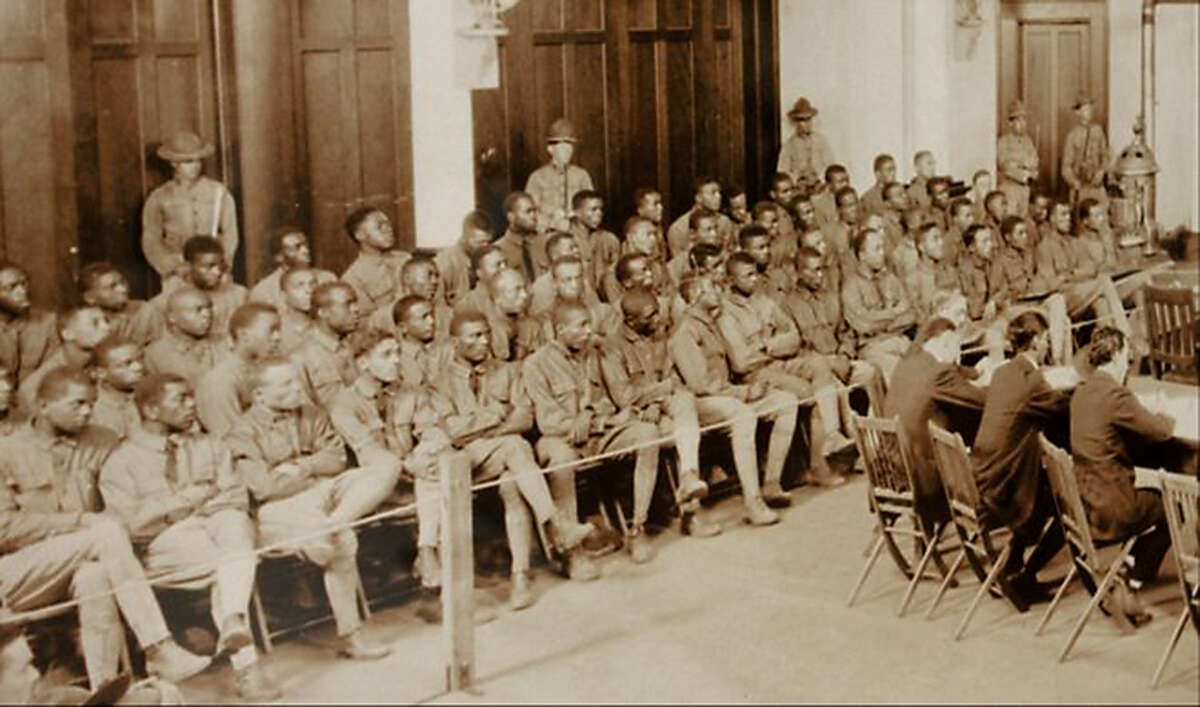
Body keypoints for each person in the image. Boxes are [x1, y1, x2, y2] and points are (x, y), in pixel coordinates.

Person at [0, 367, 211, 689]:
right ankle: (158, 647)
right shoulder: (6, 452)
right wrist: (79, 521)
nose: (87, 412)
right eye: (77, 404)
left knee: (95, 577)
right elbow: (4, 529)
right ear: (42, 406)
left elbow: (131, 474)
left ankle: (107, 688)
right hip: (15, 572)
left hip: (76, 561)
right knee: (105, 532)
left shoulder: (101, 440)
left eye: (92, 403)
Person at [99, 373, 278, 699]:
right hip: (163, 548)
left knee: (235, 525)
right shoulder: (121, 462)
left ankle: (233, 622)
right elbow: (131, 526)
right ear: (151, 410)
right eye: (179, 399)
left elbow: (235, 496)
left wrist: (189, 508)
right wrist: (187, 501)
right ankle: (246, 667)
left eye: (190, 397)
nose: (190, 405)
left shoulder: (209, 445)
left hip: (215, 528)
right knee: (230, 560)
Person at [422, 311, 597, 603]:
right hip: (467, 463)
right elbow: (452, 432)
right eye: (474, 336)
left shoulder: (506, 371)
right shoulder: (439, 383)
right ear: (455, 342)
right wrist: (496, 418)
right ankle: (557, 525)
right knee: (515, 445)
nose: (484, 341)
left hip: (502, 459)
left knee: (512, 482)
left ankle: (520, 576)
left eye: (486, 333)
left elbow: (525, 418)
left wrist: (483, 429)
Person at [227, 358, 396, 659]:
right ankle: (353, 638)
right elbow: (264, 488)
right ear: (260, 395)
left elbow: (337, 460)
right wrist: (312, 470)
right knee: (344, 541)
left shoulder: (312, 414)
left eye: (297, 381)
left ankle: (331, 524)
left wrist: (300, 467)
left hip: (323, 494)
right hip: (278, 510)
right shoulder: (241, 432)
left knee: (387, 466)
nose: (298, 388)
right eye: (287, 384)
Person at [524, 303, 662, 564]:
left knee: (647, 433)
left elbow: (613, 398)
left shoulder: (596, 353)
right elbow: (548, 422)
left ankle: (637, 528)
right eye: (582, 326)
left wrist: (590, 414)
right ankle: (572, 551)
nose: (589, 331)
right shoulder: (536, 364)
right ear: (561, 329)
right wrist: (590, 420)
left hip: (598, 433)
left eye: (590, 324)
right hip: (559, 438)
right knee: (561, 459)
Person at [717, 253, 852, 489]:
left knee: (819, 364)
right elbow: (740, 362)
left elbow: (794, 337)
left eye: (755, 273)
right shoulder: (726, 313)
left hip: (779, 362)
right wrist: (775, 347)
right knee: (811, 392)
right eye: (747, 275)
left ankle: (831, 436)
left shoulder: (765, 301)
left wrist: (766, 346)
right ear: (730, 279)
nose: (754, 279)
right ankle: (813, 467)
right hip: (756, 375)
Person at [671, 274, 795, 527]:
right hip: (701, 403)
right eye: (710, 289)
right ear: (695, 297)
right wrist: (744, 394)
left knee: (785, 401)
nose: (718, 291)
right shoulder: (685, 332)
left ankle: (772, 482)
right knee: (743, 415)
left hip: (727, 393)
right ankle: (753, 501)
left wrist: (749, 387)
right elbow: (700, 385)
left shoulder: (712, 324)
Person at [1071, 326, 1175, 622]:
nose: (1128, 362)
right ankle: (1133, 578)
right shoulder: (1114, 394)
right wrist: (1165, 411)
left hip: (1088, 500)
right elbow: (1161, 431)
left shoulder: (1083, 391)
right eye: (1127, 356)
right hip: (1114, 507)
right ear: (1116, 356)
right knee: (1172, 507)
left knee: (1155, 495)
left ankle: (1131, 566)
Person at [973, 312, 1071, 611]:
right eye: (1045, 338)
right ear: (1039, 341)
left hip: (983, 472)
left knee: (1046, 488)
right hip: (1005, 481)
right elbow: (1063, 410)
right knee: (1065, 499)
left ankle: (1015, 565)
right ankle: (1025, 574)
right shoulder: (1033, 380)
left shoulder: (1003, 372)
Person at [600, 287, 716, 531]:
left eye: (657, 313)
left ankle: (688, 477)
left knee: (684, 402)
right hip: (635, 418)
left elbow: (673, 379)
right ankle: (662, 522)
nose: (657, 319)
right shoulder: (612, 346)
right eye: (649, 316)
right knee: (679, 432)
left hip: (659, 408)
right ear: (630, 321)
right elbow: (624, 397)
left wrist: (655, 399)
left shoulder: (659, 334)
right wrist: (657, 396)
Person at [883, 318, 986, 531]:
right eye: (956, 346)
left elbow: (953, 372)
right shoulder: (938, 373)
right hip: (925, 476)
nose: (957, 354)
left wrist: (973, 372)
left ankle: (925, 540)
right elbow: (982, 400)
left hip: (893, 466)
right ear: (945, 341)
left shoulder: (910, 362)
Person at [784, 247, 883, 409]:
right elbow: (796, 349)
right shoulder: (788, 304)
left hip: (841, 361)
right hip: (818, 370)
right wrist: (828, 363)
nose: (820, 275)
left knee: (870, 372)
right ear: (799, 272)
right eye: (815, 270)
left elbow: (846, 333)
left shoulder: (830, 297)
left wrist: (844, 354)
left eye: (822, 269)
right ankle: (851, 432)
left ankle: (882, 427)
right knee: (838, 390)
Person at [141, 131, 237, 292]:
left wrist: (222, 264)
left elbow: (230, 233)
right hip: (179, 272)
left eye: (198, 160)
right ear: (174, 163)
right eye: (188, 161)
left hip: (214, 269)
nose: (195, 166)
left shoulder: (218, 192)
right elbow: (151, 240)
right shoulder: (159, 197)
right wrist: (172, 267)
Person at [1035, 201, 1130, 337]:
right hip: (1063, 299)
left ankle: (1109, 348)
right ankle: (1126, 336)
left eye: (1069, 214)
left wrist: (1070, 275)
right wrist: (1077, 276)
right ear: (1051, 219)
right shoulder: (1044, 247)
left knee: (1101, 303)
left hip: (1082, 292)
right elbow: (1051, 284)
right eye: (1063, 214)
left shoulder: (1074, 243)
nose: (1068, 218)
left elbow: (1091, 269)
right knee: (1104, 282)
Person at [195, 303, 280, 437]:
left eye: (278, 330)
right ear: (244, 335)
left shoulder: (266, 369)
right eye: (271, 330)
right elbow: (232, 438)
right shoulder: (220, 382)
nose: (277, 337)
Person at [841, 228, 915, 383]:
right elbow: (864, 325)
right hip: (873, 347)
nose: (882, 253)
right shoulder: (851, 286)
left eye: (882, 247)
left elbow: (910, 315)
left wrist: (881, 321)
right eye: (877, 249)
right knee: (899, 373)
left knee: (928, 363)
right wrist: (895, 312)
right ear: (862, 256)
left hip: (900, 340)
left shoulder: (890, 278)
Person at [150, 236, 247, 344]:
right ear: (188, 266)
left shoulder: (238, 295)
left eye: (220, 266)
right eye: (209, 267)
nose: (217, 272)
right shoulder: (165, 303)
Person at [19, 306, 110, 412]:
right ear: (68, 334)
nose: (107, 327)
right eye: (95, 323)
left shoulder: (107, 365)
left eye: (106, 321)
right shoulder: (40, 382)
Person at [292, 282, 360, 408]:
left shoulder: (347, 347)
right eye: (348, 304)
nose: (356, 309)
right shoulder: (301, 357)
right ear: (323, 312)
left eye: (355, 303)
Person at [524, 118, 595, 234]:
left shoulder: (582, 175)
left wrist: (574, 216)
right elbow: (529, 211)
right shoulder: (537, 178)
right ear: (550, 149)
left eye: (570, 147)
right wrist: (552, 223)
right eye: (562, 148)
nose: (567, 151)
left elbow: (591, 206)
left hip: (577, 234)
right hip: (547, 235)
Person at [341, 206, 410, 320]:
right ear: (360, 235)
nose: (388, 229)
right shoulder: (353, 278)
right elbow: (369, 322)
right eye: (380, 226)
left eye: (388, 224)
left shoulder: (405, 258)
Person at [143, 287, 220, 386]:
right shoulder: (154, 355)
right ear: (172, 318)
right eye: (198, 310)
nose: (207, 314)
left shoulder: (226, 343)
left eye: (209, 308)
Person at [248, 228, 335, 311]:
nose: (305, 250)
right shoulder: (263, 291)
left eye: (305, 244)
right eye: (297, 247)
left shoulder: (327, 279)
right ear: (279, 257)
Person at [0, 262, 59, 386]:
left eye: (24, 283)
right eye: (12, 288)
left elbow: (51, 370)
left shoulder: (47, 321)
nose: (22, 291)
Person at [78, 263, 162, 347]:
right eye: (112, 287)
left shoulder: (145, 311)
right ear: (89, 298)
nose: (123, 289)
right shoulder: (84, 322)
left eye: (123, 282)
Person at [529, 233, 602, 319]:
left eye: (576, 247)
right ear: (554, 256)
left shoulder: (583, 281)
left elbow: (597, 312)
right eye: (571, 248)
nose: (577, 251)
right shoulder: (541, 287)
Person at [87, 336, 144, 439]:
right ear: (101, 373)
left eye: (140, 359)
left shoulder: (148, 395)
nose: (138, 367)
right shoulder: (94, 411)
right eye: (127, 363)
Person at [436, 211, 495, 309]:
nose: (485, 247)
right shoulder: (445, 262)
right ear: (464, 238)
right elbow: (438, 306)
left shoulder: (491, 258)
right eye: (479, 242)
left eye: (488, 242)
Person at [666, 177, 734, 260]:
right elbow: (678, 261)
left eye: (719, 192)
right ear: (698, 198)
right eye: (713, 193)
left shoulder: (725, 222)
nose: (718, 196)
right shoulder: (679, 228)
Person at [568, 190, 621, 294]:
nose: (599, 214)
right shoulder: (567, 240)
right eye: (593, 209)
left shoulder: (609, 239)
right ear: (577, 212)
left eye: (601, 210)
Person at [776, 97, 833, 193]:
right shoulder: (789, 145)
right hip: (799, 189)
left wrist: (820, 180)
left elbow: (830, 165)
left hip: (820, 187)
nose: (804, 124)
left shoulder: (821, 141)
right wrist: (797, 179)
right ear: (795, 122)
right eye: (800, 120)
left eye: (807, 119)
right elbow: (782, 171)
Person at [1061, 95, 1109, 207]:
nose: (1089, 112)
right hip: (1080, 187)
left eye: (1090, 108)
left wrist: (1102, 171)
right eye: (1085, 109)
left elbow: (1105, 156)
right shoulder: (1072, 135)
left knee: (1102, 212)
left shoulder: (1098, 131)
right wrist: (1074, 182)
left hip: (1097, 186)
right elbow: (1066, 167)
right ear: (1078, 113)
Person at [494, 192, 548, 284]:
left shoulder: (546, 243)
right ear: (511, 217)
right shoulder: (498, 250)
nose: (533, 216)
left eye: (534, 211)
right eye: (528, 211)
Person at [997, 99, 1038, 218]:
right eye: (1018, 120)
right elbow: (1005, 166)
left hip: (1025, 189)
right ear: (1010, 123)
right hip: (1010, 189)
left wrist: (1019, 164)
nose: (1022, 123)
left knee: (1023, 219)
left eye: (1024, 119)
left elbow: (1035, 161)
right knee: (1011, 219)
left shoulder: (1028, 141)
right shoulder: (1003, 142)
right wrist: (1025, 167)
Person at [276, 267, 319, 355]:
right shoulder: (276, 329)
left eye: (312, 284)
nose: (309, 290)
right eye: (300, 286)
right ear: (284, 295)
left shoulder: (326, 326)